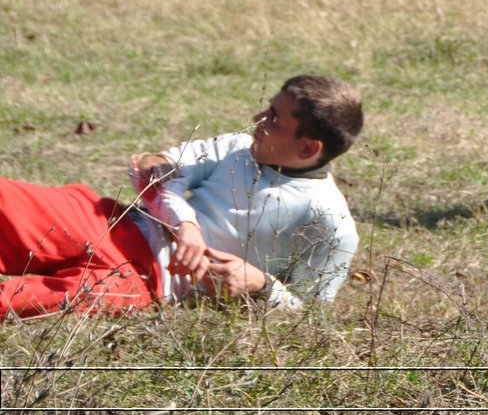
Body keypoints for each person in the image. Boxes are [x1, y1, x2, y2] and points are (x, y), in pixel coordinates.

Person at [0, 74, 364, 317]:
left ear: (307, 148)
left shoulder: (332, 222)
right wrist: (158, 169)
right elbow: (160, 166)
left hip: (150, 283)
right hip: (116, 225)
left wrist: (259, 284)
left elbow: (311, 311)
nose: (256, 120)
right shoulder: (236, 147)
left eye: (273, 119)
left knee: (28, 300)